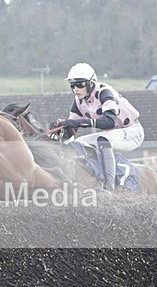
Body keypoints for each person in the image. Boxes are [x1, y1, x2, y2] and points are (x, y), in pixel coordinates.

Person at [51, 63, 144, 191]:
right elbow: (72, 128)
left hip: (132, 131)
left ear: (91, 83)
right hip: (112, 134)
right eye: (72, 85)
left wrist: (79, 122)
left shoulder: (104, 92)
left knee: (102, 140)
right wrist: (60, 128)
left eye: (80, 84)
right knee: (77, 143)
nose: (75, 89)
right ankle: (94, 177)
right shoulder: (79, 100)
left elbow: (109, 121)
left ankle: (109, 189)